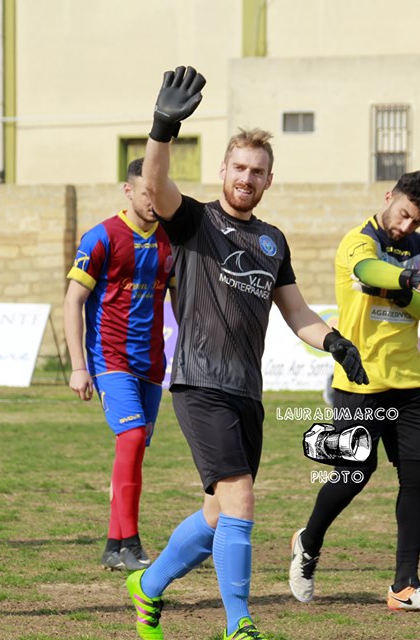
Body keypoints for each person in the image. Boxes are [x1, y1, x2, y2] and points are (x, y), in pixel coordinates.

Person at [124, 66, 368, 640]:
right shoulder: (194, 221)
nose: (247, 178)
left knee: (219, 514)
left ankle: (148, 586)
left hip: (246, 392)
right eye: (239, 168)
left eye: (257, 172)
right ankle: (240, 624)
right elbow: (156, 188)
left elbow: (298, 313)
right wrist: (162, 128)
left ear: (268, 180)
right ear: (223, 171)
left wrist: (334, 342)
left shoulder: (272, 240)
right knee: (240, 497)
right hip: (198, 383)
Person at [288, 171, 420, 613]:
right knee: (354, 474)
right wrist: (410, 281)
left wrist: (405, 289)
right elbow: (368, 270)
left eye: (418, 221)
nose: (407, 227)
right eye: (404, 213)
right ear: (389, 197)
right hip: (359, 382)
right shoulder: (359, 240)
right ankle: (308, 542)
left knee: (418, 478)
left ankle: (405, 585)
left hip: (410, 383)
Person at [64, 157, 175, 572]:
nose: (153, 201)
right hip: (110, 359)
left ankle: (113, 545)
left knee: (134, 451)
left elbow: (179, 299)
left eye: (158, 192)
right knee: (130, 439)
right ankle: (131, 541)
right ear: (128, 191)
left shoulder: (169, 241)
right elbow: (73, 300)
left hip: (152, 364)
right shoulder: (102, 237)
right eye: (145, 192)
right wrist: (79, 366)